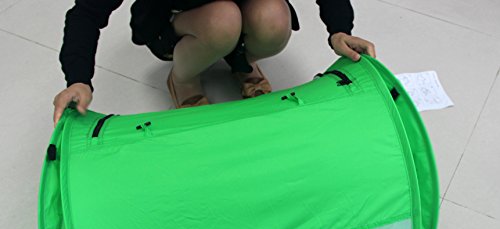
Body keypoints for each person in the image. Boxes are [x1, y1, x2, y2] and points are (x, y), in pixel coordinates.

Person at [53, 0, 376, 125]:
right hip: (178, 23)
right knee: (223, 20)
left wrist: (339, 30)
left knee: (275, 19)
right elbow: (87, 12)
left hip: (238, 11)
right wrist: (78, 78)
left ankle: (241, 59)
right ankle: (183, 78)